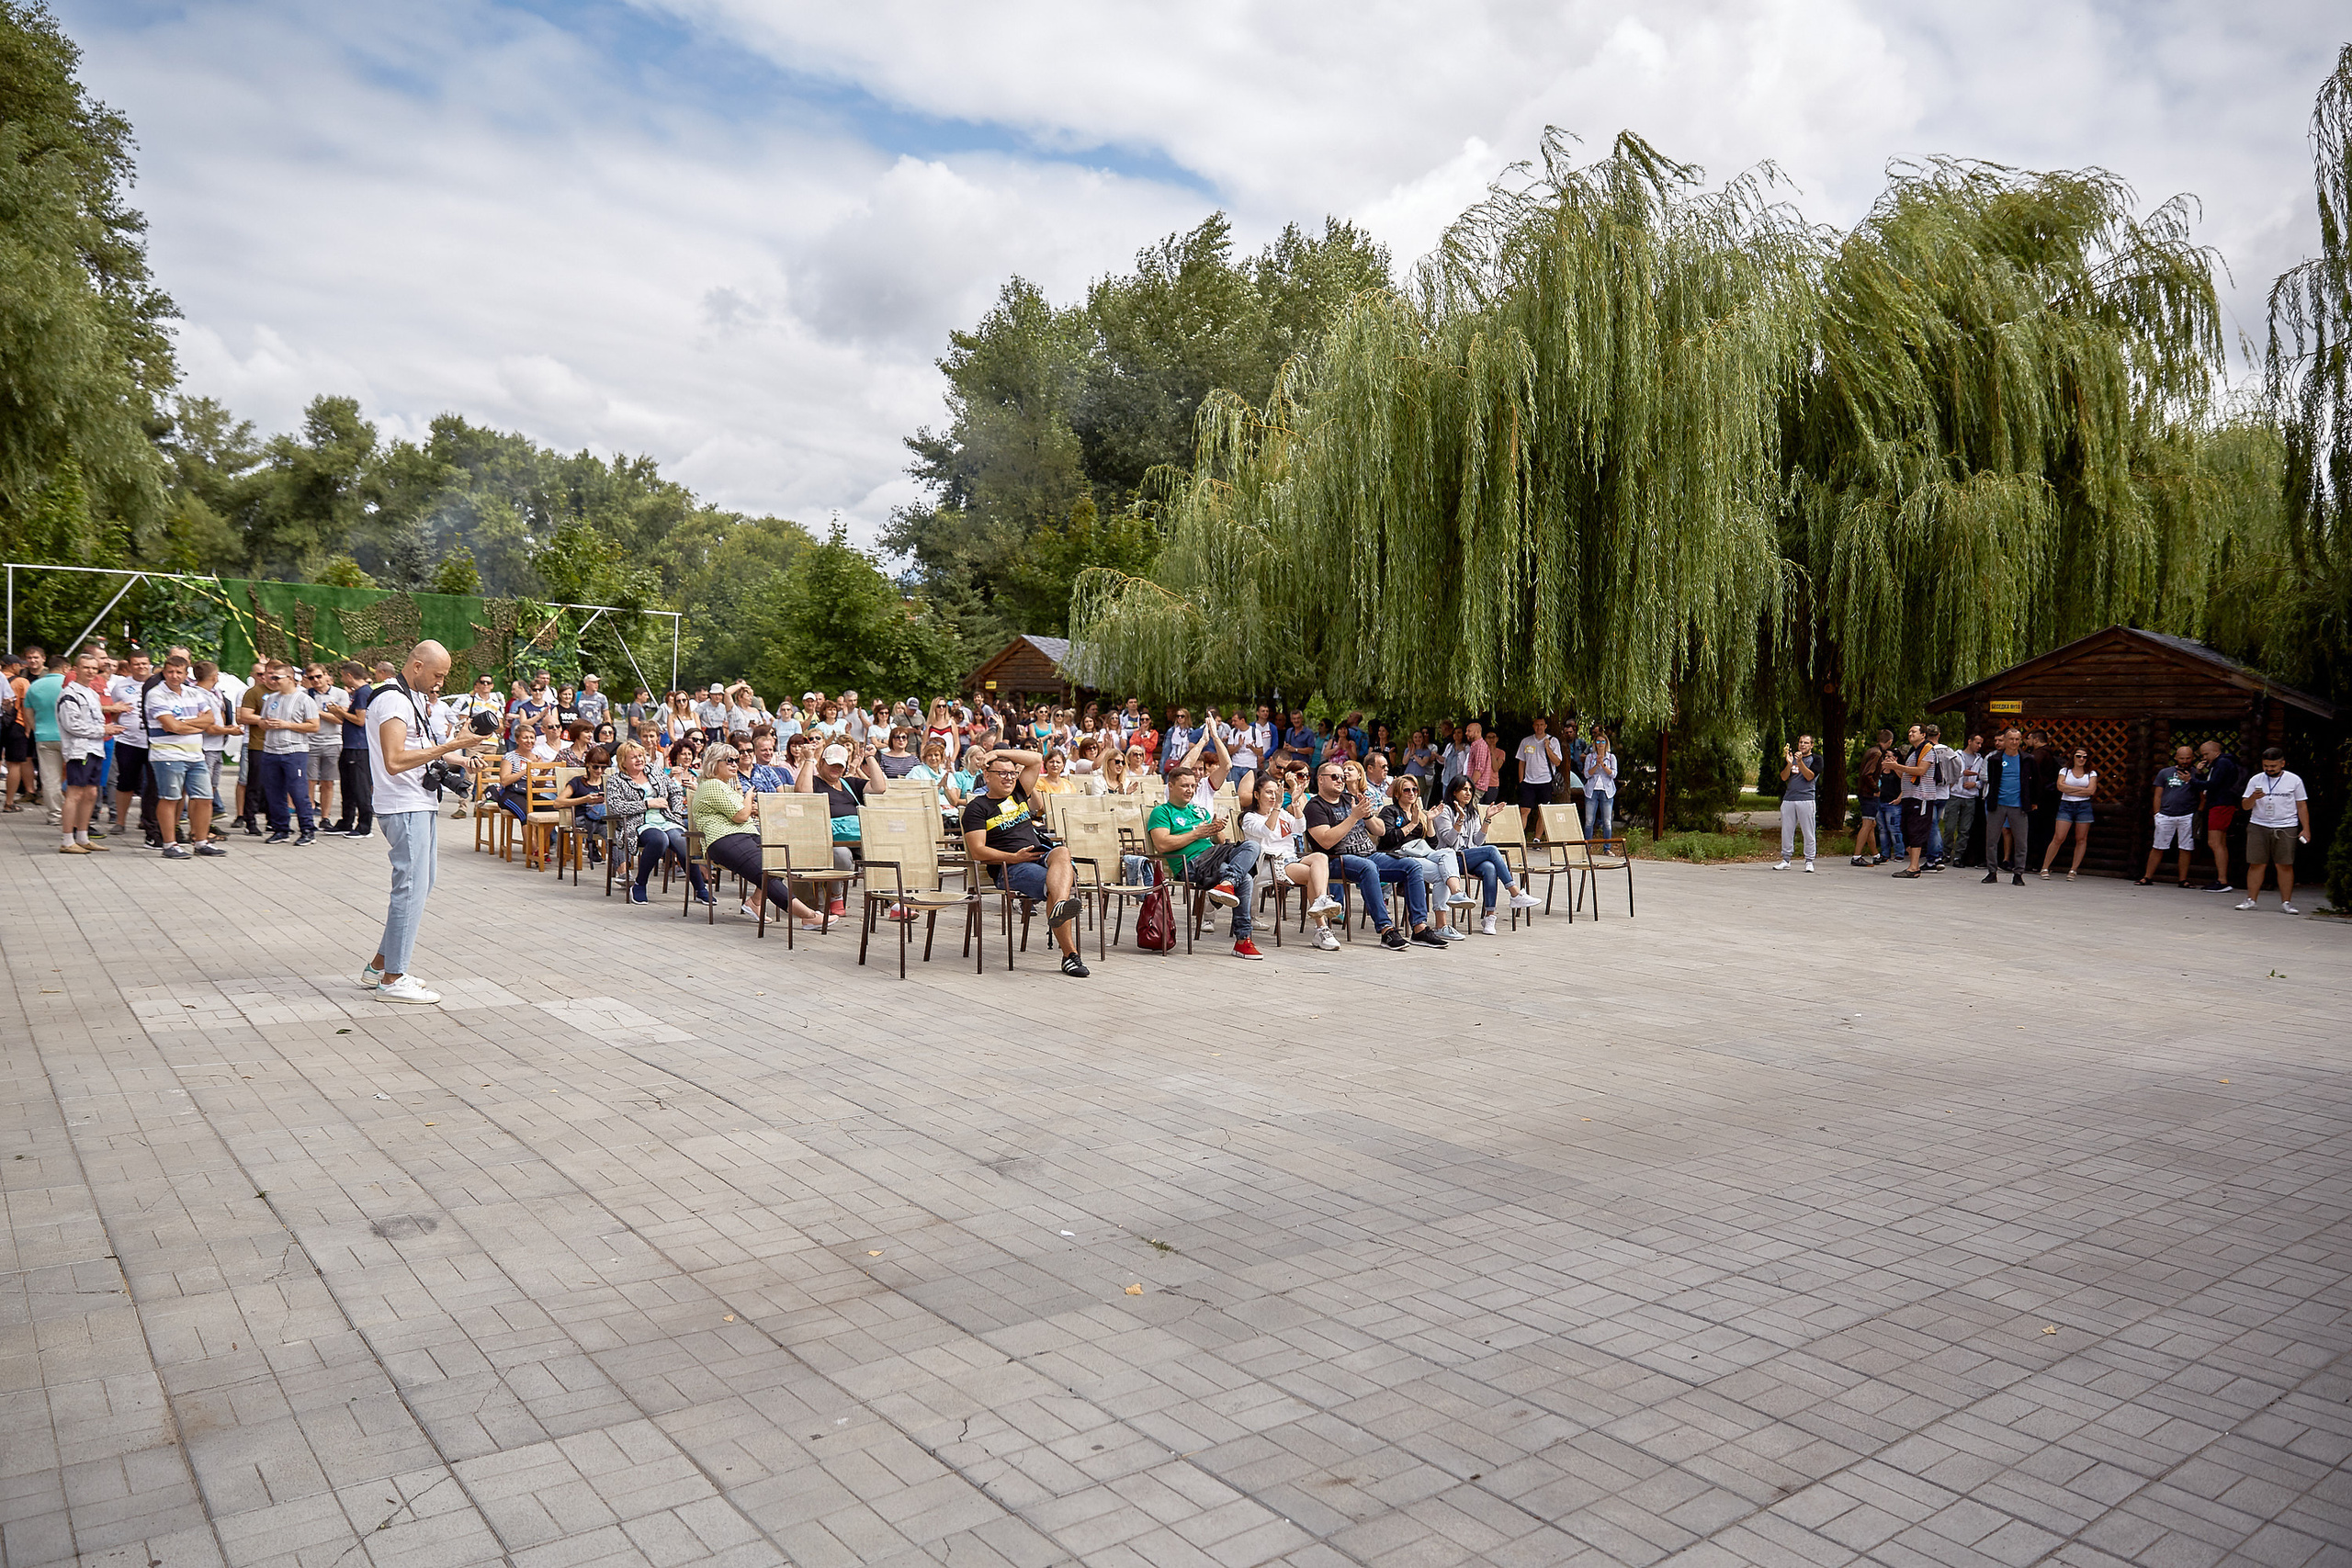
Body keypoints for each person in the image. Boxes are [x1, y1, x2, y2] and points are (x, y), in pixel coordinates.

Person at [358, 640, 496, 1004]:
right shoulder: (392, 699)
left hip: (419, 802)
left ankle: (379, 967)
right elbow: (394, 759)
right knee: (410, 887)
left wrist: (461, 758)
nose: (440, 682)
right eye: (438, 674)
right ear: (417, 666)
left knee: (421, 883)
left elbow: (421, 755)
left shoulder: (413, 698)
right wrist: (453, 747)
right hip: (403, 805)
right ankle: (393, 978)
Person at [961, 747, 1090, 976]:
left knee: (1062, 852)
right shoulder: (977, 808)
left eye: (1012, 773)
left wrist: (999, 752)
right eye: (1002, 773)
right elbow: (978, 851)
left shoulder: (1018, 793)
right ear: (987, 776)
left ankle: (1059, 904)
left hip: (1040, 856)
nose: (1009, 777)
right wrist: (1013, 857)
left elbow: (1035, 760)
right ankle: (1070, 956)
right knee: (1057, 887)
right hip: (1010, 867)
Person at [1304, 758, 1442, 951]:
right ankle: (1386, 930)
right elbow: (1326, 840)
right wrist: (1353, 817)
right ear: (1320, 780)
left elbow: (1381, 831)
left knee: (1413, 865)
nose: (1340, 781)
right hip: (1336, 859)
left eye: (1342, 777)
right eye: (1334, 777)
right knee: (1368, 867)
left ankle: (1419, 928)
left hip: (1369, 854)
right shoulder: (1315, 806)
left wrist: (1367, 815)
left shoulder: (1349, 799)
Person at [693, 742, 833, 925]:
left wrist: (747, 802)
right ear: (714, 763)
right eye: (729, 760)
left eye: (736, 760)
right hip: (724, 839)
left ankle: (755, 902)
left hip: (746, 834)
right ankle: (809, 916)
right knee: (766, 873)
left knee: (778, 862)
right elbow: (742, 815)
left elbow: (743, 813)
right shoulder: (712, 785)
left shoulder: (724, 785)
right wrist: (749, 796)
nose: (735, 764)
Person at [605, 740, 710, 907]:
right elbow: (616, 806)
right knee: (659, 840)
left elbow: (675, 791)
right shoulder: (616, 780)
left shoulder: (654, 771)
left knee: (682, 840)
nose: (639, 760)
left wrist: (675, 812)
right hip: (637, 823)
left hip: (665, 818)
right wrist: (647, 804)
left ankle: (699, 888)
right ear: (623, 761)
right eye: (633, 758)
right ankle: (640, 884)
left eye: (641, 756)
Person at [1432, 775, 1543, 934]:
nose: (1468, 793)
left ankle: (1489, 918)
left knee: (1490, 867)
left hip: (1468, 856)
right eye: (1464, 789)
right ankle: (1515, 893)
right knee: (1491, 850)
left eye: (1470, 790)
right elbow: (1449, 841)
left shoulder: (1473, 813)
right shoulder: (1445, 811)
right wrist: (1460, 820)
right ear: (1454, 791)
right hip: (1451, 859)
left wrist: (1487, 819)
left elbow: (1477, 841)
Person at [144, 655, 228, 860]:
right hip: (167, 754)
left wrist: (183, 723)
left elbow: (209, 720)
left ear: (186, 673)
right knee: (170, 798)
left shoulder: (193, 693)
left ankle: (201, 842)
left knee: (205, 798)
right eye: (170, 671)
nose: (174, 676)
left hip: (195, 754)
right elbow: (170, 726)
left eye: (179, 672)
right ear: (164, 672)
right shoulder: (156, 695)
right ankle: (169, 844)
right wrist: (192, 724)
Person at [54, 650, 117, 852]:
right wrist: (103, 730)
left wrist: (105, 730)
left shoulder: (91, 692)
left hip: (96, 749)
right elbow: (72, 725)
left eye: (93, 668)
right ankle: (67, 840)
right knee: (74, 793)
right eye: (86, 668)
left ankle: (83, 837)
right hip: (79, 751)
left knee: (91, 793)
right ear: (76, 669)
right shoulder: (69, 694)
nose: (90, 672)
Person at [253, 662, 322, 844]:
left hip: (294, 752)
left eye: (277, 678)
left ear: (290, 679)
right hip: (270, 750)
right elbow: (261, 721)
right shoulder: (271, 698)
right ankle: (281, 828)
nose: (272, 681)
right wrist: (264, 724)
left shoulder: (304, 699)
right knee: (274, 792)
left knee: (298, 793)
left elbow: (314, 726)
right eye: (271, 677)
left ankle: (307, 829)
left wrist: (287, 725)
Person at [2237, 748, 2311, 914]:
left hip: (2286, 826)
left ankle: (2286, 903)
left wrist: (2306, 828)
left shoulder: (2294, 780)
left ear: (2282, 763)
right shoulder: (2256, 779)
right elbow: (2245, 806)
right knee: (2256, 863)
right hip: (2258, 824)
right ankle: (2251, 900)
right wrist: (2253, 798)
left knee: (2284, 864)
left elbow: (2301, 805)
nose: (2269, 769)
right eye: (2266, 766)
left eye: (2273, 766)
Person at [2140, 745, 2202, 887]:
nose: (2185, 761)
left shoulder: (2196, 774)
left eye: (2188, 758)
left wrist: (2198, 813)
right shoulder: (2165, 772)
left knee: (2186, 848)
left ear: (2192, 757)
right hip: (2166, 814)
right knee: (2158, 846)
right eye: (2182, 758)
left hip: (2187, 815)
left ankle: (2183, 880)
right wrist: (2157, 814)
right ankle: (2147, 877)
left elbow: (2202, 794)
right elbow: (2158, 795)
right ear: (2176, 757)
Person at [1980, 728, 2030, 886]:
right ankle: (1992, 871)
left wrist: (2031, 801)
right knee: (1992, 839)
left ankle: (2018, 873)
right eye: (2011, 739)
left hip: (2018, 805)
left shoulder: (2027, 759)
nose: (2014, 742)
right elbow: (1991, 779)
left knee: (2021, 841)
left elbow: (2033, 782)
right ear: (2005, 740)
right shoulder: (1994, 759)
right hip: (1998, 804)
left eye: (2017, 739)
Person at [333, 662, 375, 837]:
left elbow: (360, 719)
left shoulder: (363, 693)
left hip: (358, 747)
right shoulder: (359, 693)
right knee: (348, 786)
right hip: (350, 745)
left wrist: (339, 712)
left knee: (360, 786)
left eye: (342, 675)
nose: (341, 679)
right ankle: (346, 821)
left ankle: (364, 826)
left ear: (349, 676)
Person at [2041, 748, 2096, 880]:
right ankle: (2045, 867)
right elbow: (2060, 787)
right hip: (2066, 805)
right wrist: (2081, 789)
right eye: (2079, 756)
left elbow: (2091, 791)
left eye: (2085, 757)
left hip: (2084, 806)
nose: (2081, 759)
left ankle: (2073, 870)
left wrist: (2070, 789)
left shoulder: (2091, 773)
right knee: (2059, 837)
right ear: (2073, 757)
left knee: (2081, 839)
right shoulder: (2064, 771)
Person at [1888, 724, 1933, 879]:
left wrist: (1898, 765)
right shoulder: (1914, 752)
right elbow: (1905, 776)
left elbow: (1921, 771)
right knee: (1906, 829)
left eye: (1914, 731)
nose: (1910, 734)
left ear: (1923, 734)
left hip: (1921, 797)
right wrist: (1894, 767)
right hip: (1909, 796)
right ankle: (1913, 865)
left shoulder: (1928, 750)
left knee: (1916, 830)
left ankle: (1914, 868)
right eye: (1909, 732)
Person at [24, 654, 65, 825]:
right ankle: (73, 812)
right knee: (75, 775)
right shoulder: (69, 684)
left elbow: (28, 712)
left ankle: (55, 815)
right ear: (65, 668)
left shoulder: (35, 685)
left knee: (49, 778)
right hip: (69, 736)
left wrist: (36, 729)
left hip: (44, 736)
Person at [2197, 739, 2243, 893]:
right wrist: (2200, 775)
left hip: (2221, 804)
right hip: (2222, 803)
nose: (2204, 758)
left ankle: (2222, 880)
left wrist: (2191, 781)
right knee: (2220, 843)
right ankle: (2222, 879)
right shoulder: (2220, 764)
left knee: (2214, 842)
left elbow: (2214, 784)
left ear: (2215, 751)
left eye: (2206, 754)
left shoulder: (2222, 763)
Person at [1773, 734, 1817, 871]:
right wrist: (1789, 763)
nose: (1802, 745)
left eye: (1806, 743)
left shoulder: (1816, 759)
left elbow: (1810, 776)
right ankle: (1786, 859)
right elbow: (1784, 777)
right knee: (1787, 830)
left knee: (1808, 831)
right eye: (1800, 742)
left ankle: (1809, 860)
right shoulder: (1791, 759)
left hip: (1806, 799)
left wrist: (1800, 762)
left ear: (1811, 745)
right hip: (1789, 799)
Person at [1515, 716, 1563, 836]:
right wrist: (1521, 780)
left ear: (1546, 726)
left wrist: (1547, 747)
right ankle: (1520, 838)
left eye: (1542, 725)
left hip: (1546, 780)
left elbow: (1557, 762)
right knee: (1524, 810)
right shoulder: (1526, 741)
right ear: (1533, 726)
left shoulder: (1553, 741)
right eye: (1537, 725)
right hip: (1528, 781)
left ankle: (1537, 838)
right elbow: (1521, 762)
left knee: (1542, 811)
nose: (1539, 727)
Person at [1945, 734, 1984, 870]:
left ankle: (1958, 856)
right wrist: (1963, 773)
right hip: (1955, 794)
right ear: (1970, 741)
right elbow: (1949, 773)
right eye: (1977, 743)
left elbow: (1984, 778)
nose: (1979, 746)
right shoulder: (1956, 756)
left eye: (1981, 744)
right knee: (1949, 827)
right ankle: (1945, 852)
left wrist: (1976, 785)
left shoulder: (1980, 760)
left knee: (1964, 829)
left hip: (1970, 797)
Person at [1583, 731, 1618, 840]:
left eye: (1603, 741)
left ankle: (1607, 848)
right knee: (1589, 820)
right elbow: (1587, 774)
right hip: (1592, 791)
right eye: (1598, 741)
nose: (1600, 744)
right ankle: (1587, 845)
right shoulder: (1590, 757)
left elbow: (1613, 774)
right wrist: (1596, 765)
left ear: (1606, 743)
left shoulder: (1611, 757)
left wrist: (1602, 765)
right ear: (1595, 744)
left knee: (1607, 821)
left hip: (1607, 791)